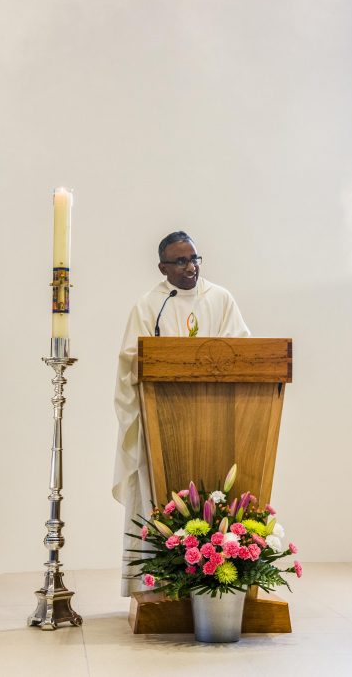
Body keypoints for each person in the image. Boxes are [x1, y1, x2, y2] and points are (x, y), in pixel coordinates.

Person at [111, 231, 250, 596]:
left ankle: (219, 578)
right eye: (181, 261)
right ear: (163, 267)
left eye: (195, 259)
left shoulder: (221, 299)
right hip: (164, 424)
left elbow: (241, 353)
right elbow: (130, 362)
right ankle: (158, 586)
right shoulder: (149, 306)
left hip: (214, 421)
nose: (191, 267)